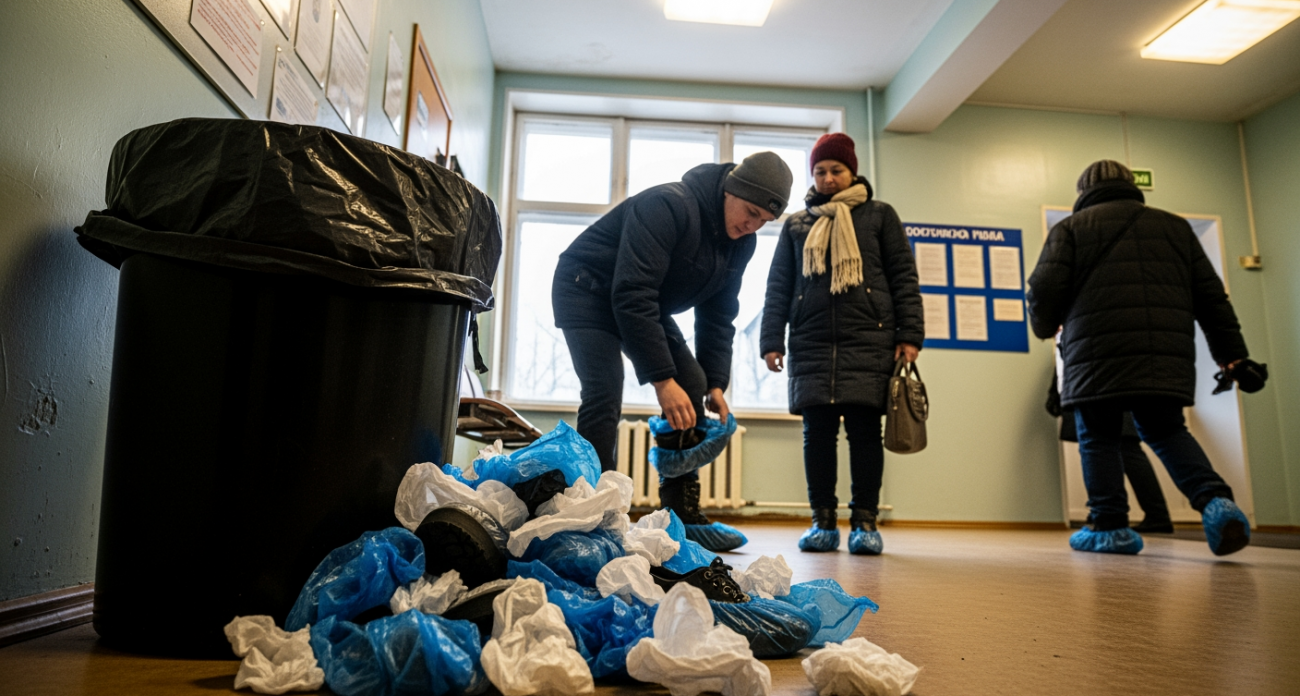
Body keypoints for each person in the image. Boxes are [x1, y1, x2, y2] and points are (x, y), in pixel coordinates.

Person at [552, 152, 792, 552]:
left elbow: (718, 316)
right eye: (750, 212)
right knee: (604, 390)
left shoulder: (741, 243)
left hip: (643, 303)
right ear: (731, 188)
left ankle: (680, 515)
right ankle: (592, 515)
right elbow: (631, 293)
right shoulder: (667, 205)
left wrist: (716, 383)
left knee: (693, 383)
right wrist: (661, 380)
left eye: (763, 222)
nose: (752, 226)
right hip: (586, 288)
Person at [1027, 160, 1253, 556]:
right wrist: (1232, 356)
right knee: (1167, 431)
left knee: (1098, 437)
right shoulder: (1175, 227)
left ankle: (1110, 526)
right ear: (1132, 187)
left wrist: (1045, 326)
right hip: (1163, 355)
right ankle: (1216, 502)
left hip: (1094, 355)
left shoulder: (1070, 229)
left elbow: (1043, 288)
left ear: (1083, 193)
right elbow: (1212, 298)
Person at [759, 133, 923, 555]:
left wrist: (909, 335)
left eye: (836, 170)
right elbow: (779, 285)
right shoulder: (797, 223)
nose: (828, 178)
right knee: (817, 436)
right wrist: (771, 339)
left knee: (866, 434)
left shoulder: (880, 215)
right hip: (810, 341)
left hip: (870, 339)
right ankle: (823, 522)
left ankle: (865, 522)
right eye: (820, 171)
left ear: (852, 171)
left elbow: (904, 277)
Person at [1047, 375, 1174, 534]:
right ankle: (1148, 515)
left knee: (1110, 449)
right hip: (1119, 382)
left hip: (1097, 383)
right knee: (1120, 450)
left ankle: (1116, 517)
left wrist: (1055, 392)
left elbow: (1066, 356)